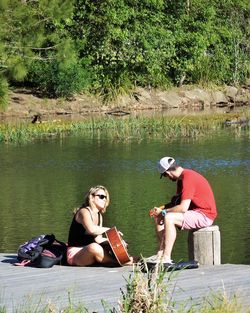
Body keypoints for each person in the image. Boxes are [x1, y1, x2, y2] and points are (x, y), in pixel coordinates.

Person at [150, 157, 217, 264]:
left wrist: (164, 212)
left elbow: (182, 208)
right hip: (195, 213)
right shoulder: (181, 180)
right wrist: (161, 208)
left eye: (165, 175)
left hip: (205, 215)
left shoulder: (188, 178)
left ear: (168, 172)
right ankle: (160, 254)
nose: (167, 178)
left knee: (168, 217)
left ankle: (166, 258)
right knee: (159, 216)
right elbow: (176, 204)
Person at [67, 185, 133, 266]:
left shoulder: (99, 216)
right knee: (94, 247)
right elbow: (91, 229)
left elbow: (98, 239)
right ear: (91, 198)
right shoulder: (83, 212)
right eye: (101, 196)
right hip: (75, 253)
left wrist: (116, 242)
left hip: (89, 252)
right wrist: (110, 230)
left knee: (108, 245)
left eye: (106, 197)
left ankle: (124, 260)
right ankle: (121, 262)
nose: (104, 199)